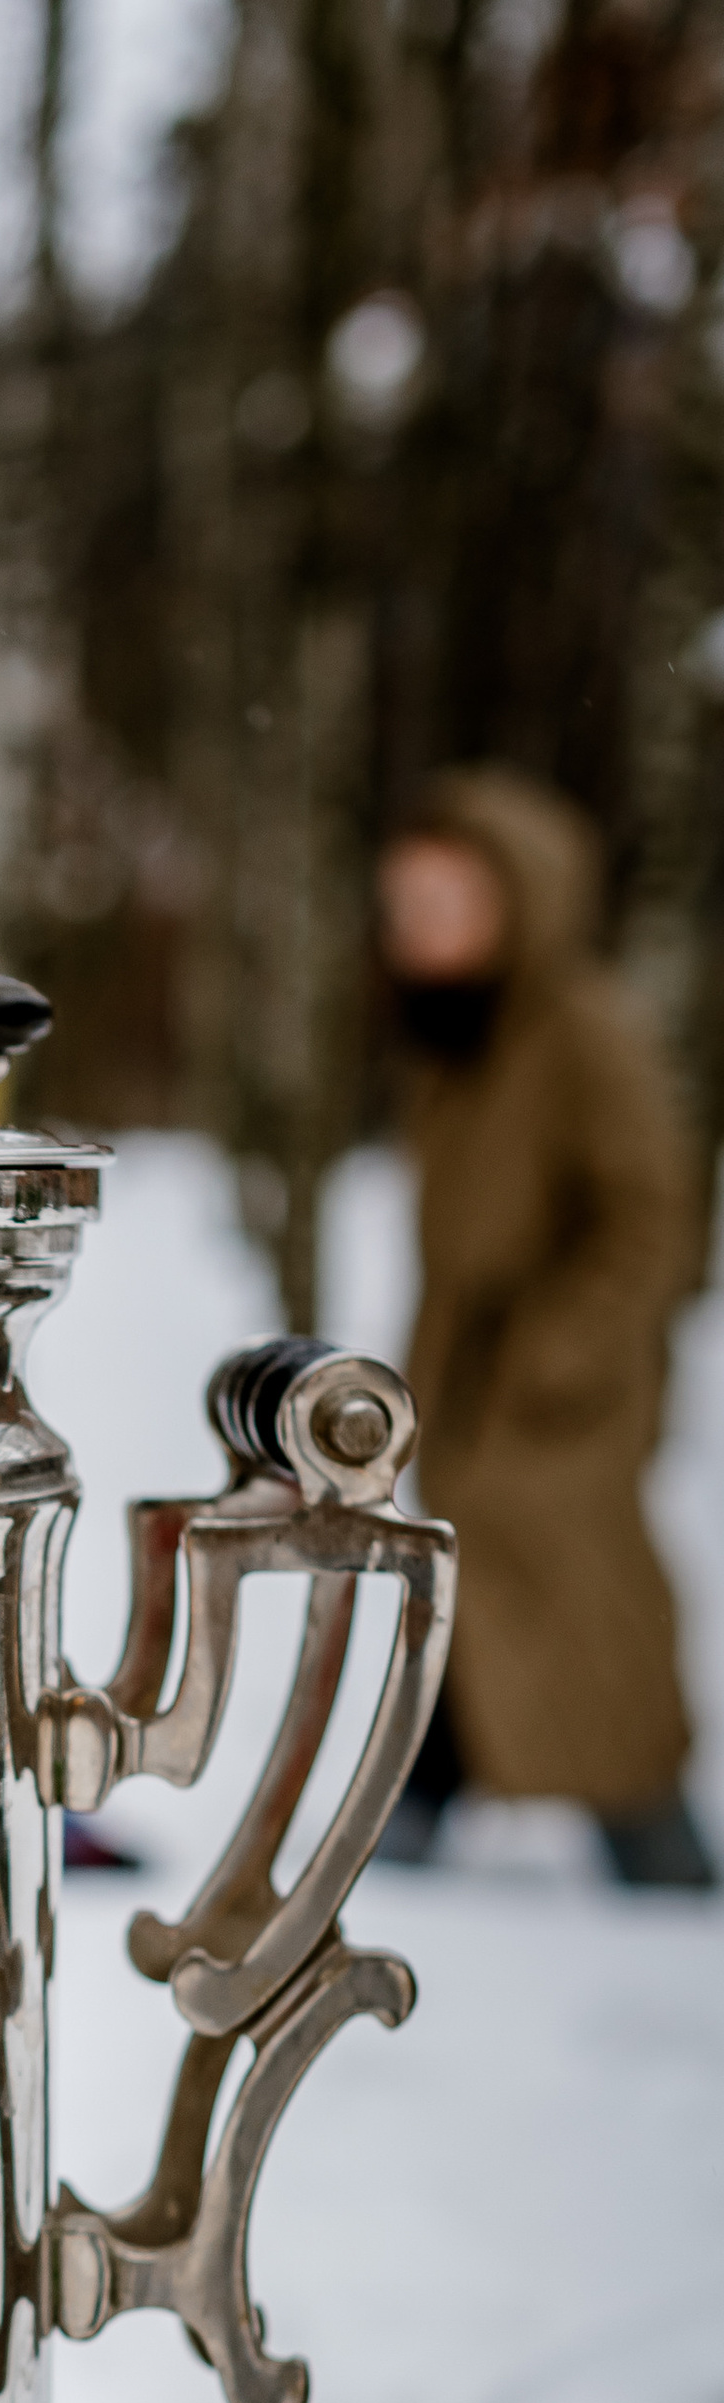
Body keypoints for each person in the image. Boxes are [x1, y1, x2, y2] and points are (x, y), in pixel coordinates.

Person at [377, 768, 715, 1889]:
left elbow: (652, 1211)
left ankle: (659, 1855)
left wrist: (557, 1354)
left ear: (515, 899)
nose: (418, 933)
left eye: (444, 905)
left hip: (567, 1396)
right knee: (478, 1606)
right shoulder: (464, 1037)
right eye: (404, 911)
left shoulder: (581, 1029)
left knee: (583, 1617)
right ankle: (412, 1816)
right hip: (482, 1382)